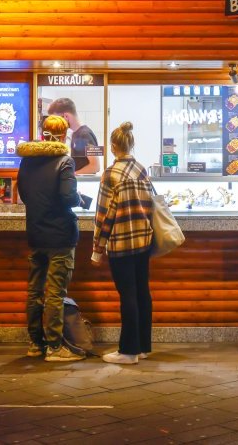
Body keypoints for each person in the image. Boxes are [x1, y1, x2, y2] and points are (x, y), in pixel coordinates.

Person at [16, 114, 83, 362]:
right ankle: (55, 347)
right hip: (60, 236)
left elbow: (24, 194)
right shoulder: (64, 161)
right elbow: (68, 198)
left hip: (35, 233)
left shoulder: (27, 162)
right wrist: (78, 199)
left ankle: (36, 344)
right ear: (63, 135)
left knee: (35, 291)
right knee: (55, 292)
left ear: (43, 132)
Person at [91, 121, 154, 365]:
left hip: (121, 242)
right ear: (131, 144)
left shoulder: (110, 174)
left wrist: (97, 248)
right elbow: (152, 204)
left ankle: (128, 351)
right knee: (142, 292)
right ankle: (143, 347)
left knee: (127, 294)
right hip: (143, 240)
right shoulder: (141, 169)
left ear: (114, 146)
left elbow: (103, 213)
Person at [47, 97, 99, 173]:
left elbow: (95, 166)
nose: (56, 123)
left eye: (58, 119)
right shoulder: (75, 134)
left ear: (66, 116)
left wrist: (71, 175)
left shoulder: (86, 134)